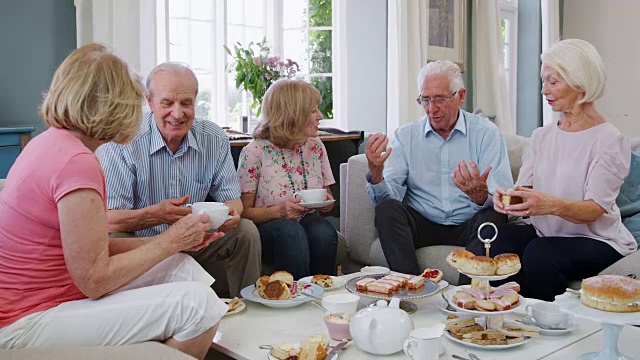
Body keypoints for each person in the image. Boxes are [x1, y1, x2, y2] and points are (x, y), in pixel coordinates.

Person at [0, 44, 226, 359]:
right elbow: (94, 279)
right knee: (197, 305)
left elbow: (90, 250)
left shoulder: (51, 143)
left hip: (48, 295)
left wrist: (175, 243)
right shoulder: (75, 162)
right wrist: (171, 239)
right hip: (27, 319)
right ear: (111, 104)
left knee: (180, 266)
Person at [483, 39, 637, 301]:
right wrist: (509, 199)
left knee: (540, 254)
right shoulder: (542, 136)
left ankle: (554, 326)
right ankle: (505, 315)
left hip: (598, 240)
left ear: (580, 84)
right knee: (500, 239)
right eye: (544, 81)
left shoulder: (609, 140)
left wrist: (549, 205)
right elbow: (525, 189)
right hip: (548, 233)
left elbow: (593, 210)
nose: (544, 90)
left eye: (553, 82)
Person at [97, 62, 261, 298]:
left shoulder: (213, 138)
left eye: (186, 103)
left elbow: (233, 201)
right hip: (144, 245)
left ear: (195, 102)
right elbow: (111, 220)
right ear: (150, 101)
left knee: (245, 231)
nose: (177, 113)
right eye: (167, 103)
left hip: (197, 239)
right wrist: (156, 216)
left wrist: (231, 214)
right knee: (116, 238)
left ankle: (249, 310)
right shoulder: (123, 141)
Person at [365, 60, 513, 276]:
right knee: (387, 211)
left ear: (461, 96)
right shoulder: (406, 136)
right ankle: (411, 287)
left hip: (468, 222)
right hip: (423, 223)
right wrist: (377, 175)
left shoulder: (486, 133)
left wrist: (481, 196)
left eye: (440, 99)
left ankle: (468, 296)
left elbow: (502, 196)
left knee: (494, 218)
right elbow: (389, 198)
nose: (431, 109)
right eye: (425, 100)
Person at [237, 79, 338, 280]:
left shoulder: (315, 146)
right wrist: (280, 211)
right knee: (290, 231)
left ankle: (323, 294)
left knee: (323, 231)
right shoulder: (255, 151)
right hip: (269, 229)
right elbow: (243, 213)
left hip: (307, 220)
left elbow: (328, 202)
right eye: (313, 111)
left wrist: (325, 203)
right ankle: (294, 299)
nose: (320, 116)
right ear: (293, 115)